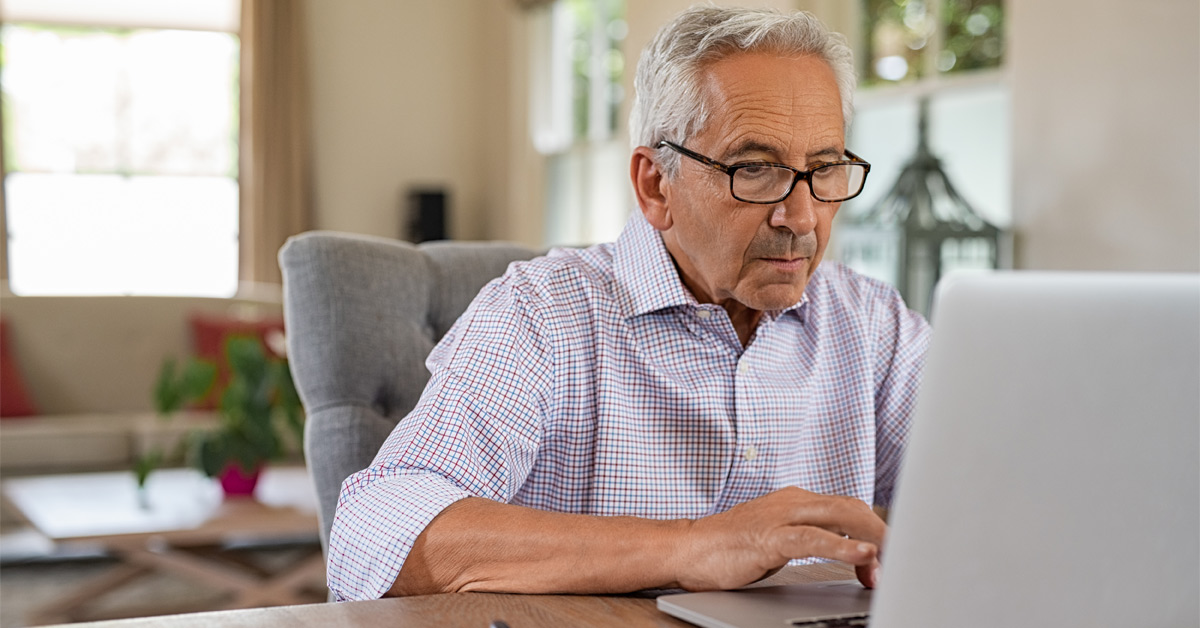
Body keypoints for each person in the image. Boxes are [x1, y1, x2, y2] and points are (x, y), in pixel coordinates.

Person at [327, 6, 930, 601]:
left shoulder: (875, 325)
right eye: (754, 169)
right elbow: (373, 535)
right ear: (655, 184)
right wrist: (694, 546)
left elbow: (1003, 494)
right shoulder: (541, 313)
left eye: (824, 169)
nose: (801, 217)